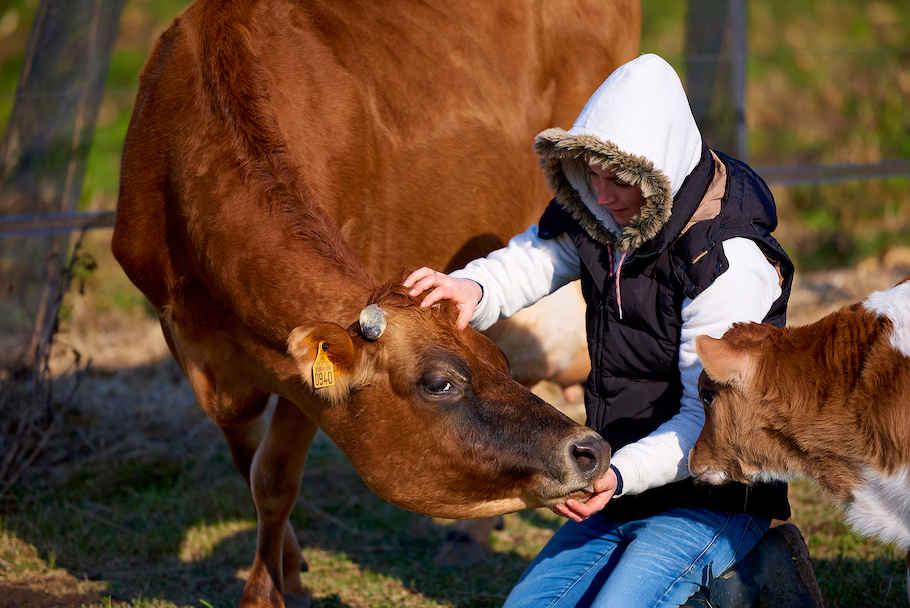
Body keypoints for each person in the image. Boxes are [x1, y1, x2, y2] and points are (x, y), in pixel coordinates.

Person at [404, 54, 795, 608]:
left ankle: (758, 566)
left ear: (659, 172)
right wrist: (472, 287)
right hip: (620, 483)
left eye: (619, 181)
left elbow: (707, 423)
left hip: (714, 492)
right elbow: (534, 259)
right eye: (592, 174)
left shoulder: (726, 261)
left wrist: (619, 473)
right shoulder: (605, 214)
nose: (602, 194)